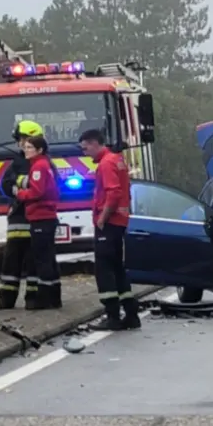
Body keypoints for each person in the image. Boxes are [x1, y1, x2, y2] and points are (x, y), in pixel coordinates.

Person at [79, 129, 140, 330]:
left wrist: (102, 219)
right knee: (117, 267)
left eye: (85, 147)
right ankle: (131, 314)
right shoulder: (116, 160)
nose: (84, 152)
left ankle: (112, 315)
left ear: (95, 143)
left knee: (104, 269)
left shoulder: (106, 163)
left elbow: (113, 193)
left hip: (110, 222)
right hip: (119, 222)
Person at [0, 120, 45, 310]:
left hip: (30, 219)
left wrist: (20, 186)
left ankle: (27, 299)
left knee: (29, 263)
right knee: (14, 263)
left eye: (22, 139)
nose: (20, 144)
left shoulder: (40, 164)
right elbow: (6, 185)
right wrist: (26, 185)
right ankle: (10, 300)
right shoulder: (19, 162)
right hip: (21, 220)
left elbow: (41, 187)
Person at [13, 134, 61, 309]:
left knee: (42, 259)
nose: (25, 151)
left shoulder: (39, 166)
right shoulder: (43, 164)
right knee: (49, 258)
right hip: (45, 216)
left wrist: (19, 194)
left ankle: (45, 298)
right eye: (25, 147)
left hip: (41, 217)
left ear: (39, 150)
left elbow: (37, 192)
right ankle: (55, 296)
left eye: (29, 147)